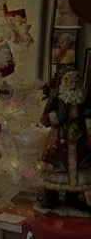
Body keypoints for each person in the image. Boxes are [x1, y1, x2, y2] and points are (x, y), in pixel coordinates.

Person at [39, 70, 91, 211]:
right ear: (64, 84)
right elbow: (45, 117)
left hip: (79, 140)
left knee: (75, 169)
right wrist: (53, 118)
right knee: (56, 167)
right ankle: (50, 196)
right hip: (59, 138)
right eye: (70, 82)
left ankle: (72, 198)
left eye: (76, 82)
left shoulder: (84, 99)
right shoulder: (57, 98)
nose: (73, 85)